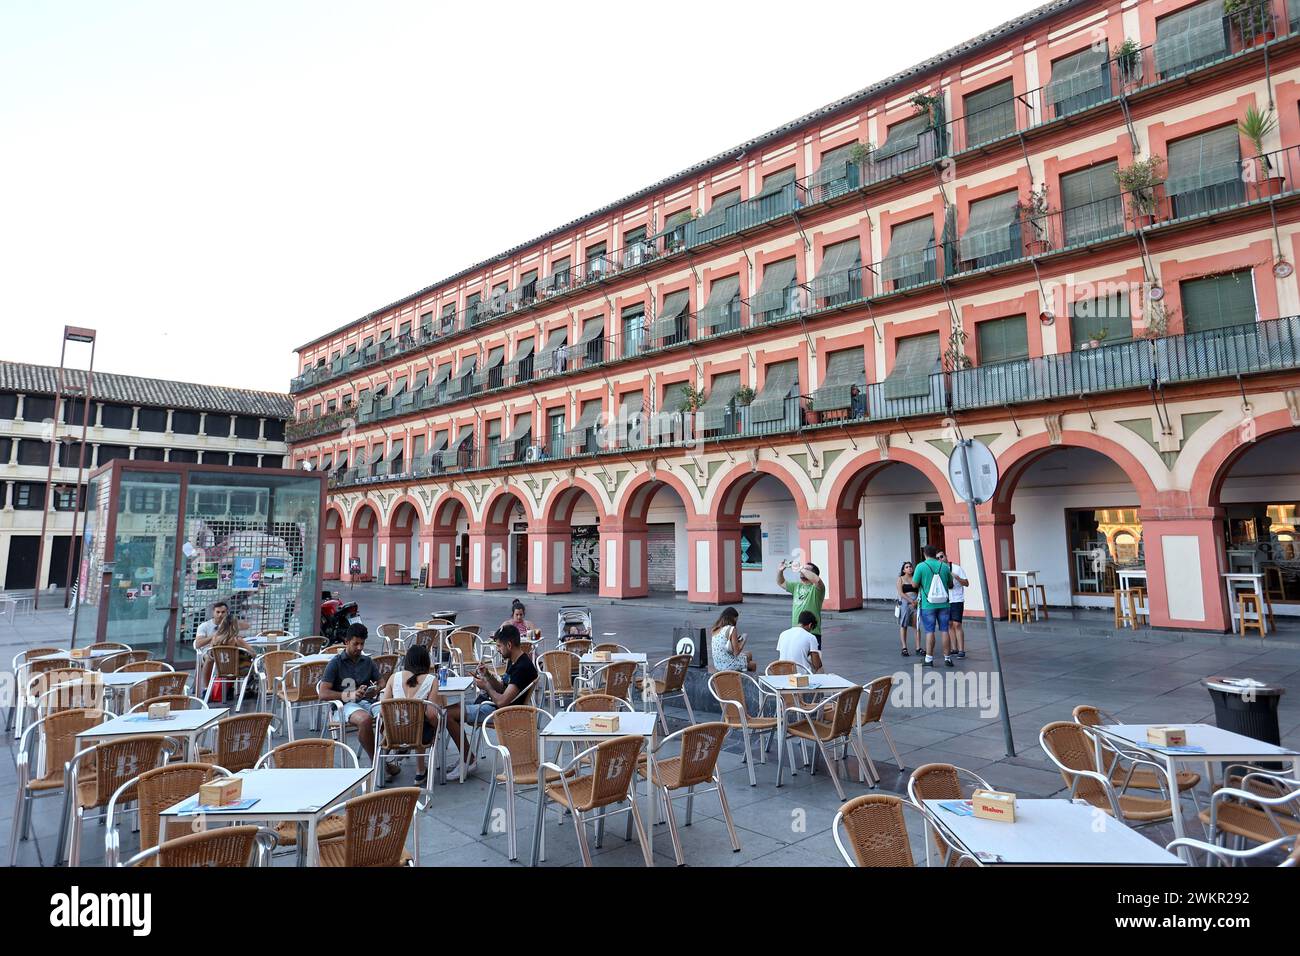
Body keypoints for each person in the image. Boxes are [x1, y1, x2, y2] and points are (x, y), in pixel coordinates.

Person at [443, 624, 537, 774]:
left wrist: (486, 687)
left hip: (503, 713)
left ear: (509, 644)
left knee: (447, 715)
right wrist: (487, 675)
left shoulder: (522, 668)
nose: (498, 649)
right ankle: (466, 757)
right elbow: (503, 688)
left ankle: (468, 759)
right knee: (449, 710)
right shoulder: (515, 660)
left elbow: (502, 701)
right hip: (495, 706)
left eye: (499, 646)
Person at [317, 623, 383, 763]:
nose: (359, 648)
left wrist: (375, 689)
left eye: (362, 644)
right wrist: (350, 695)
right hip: (343, 706)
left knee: (389, 714)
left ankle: (386, 756)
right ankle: (377, 762)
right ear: (346, 642)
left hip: (366, 702)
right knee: (365, 720)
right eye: (356, 644)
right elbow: (323, 694)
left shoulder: (367, 661)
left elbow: (382, 682)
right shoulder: (335, 663)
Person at [381, 644, 441, 784]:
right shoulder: (431, 680)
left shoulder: (393, 677)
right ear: (426, 662)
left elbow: (384, 709)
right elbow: (432, 714)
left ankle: (382, 766)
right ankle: (420, 771)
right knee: (422, 721)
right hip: (418, 734)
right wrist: (438, 727)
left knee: (411, 721)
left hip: (393, 734)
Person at [194, 601, 255, 692]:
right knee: (210, 658)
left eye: (223, 612)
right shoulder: (205, 626)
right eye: (218, 612)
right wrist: (218, 635)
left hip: (226, 652)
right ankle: (207, 688)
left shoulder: (230, 626)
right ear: (213, 612)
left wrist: (233, 623)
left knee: (233, 658)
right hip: (210, 651)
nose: (220, 615)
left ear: (227, 613)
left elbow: (247, 626)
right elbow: (198, 644)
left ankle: (227, 689)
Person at [912, 545, 953, 667]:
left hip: (928, 604)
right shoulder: (944, 566)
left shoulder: (921, 566)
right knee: (945, 630)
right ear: (935, 554)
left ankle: (929, 659)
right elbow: (950, 584)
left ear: (924, 553)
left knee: (930, 631)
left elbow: (914, 584)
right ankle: (948, 658)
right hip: (944, 603)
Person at [775, 559, 826, 649]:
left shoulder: (817, 589)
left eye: (806, 570)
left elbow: (817, 580)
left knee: (813, 660)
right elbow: (781, 582)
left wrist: (801, 568)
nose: (802, 571)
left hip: (812, 631)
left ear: (813, 574)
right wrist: (780, 571)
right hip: (796, 631)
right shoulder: (796, 586)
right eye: (802, 569)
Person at [937, 550, 969, 660]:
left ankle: (961, 650)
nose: (940, 559)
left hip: (957, 599)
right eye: (937, 558)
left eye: (941, 556)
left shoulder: (956, 568)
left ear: (946, 556)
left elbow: (967, 583)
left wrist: (956, 578)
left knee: (957, 624)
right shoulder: (938, 570)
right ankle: (954, 648)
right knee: (949, 624)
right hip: (945, 600)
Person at [709, 607, 754, 672]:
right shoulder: (731, 629)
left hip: (718, 664)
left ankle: (743, 670)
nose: (736, 622)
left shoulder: (715, 629)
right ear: (733, 618)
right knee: (753, 665)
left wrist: (736, 640)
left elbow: (724, 645)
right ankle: (746, 678)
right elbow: (736, 653)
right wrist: (743, 640)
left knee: (748, 654)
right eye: (736, 620)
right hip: (728, 664)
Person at [896, 561, 922, 656]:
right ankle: (904, 647)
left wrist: (916, 601)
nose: (909, 568)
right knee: (904, 625)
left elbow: (920, 590)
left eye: (910, 566)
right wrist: (910, 600)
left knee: (917, 625)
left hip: (915, 603)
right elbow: (900, 593)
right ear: (903, 570)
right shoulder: (900, 579)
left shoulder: (916, 579)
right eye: (907, 567)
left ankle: (918, 647)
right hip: (905, 603)